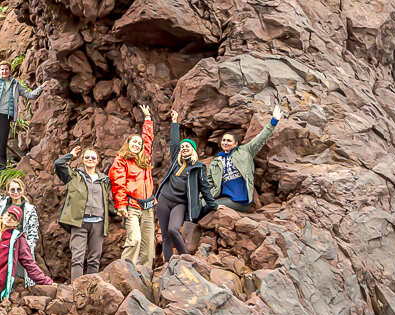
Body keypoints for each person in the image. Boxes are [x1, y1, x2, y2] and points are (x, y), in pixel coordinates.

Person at [155, 110, 218, 263]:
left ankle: (186, 258)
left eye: (187, 147)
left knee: (173, 229)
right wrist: (175, 122)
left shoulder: (198, 167)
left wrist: (214, 205)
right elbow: (174, 142)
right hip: (164, 199)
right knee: (165, 235)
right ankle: (168, 265)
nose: (183, 148)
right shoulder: (176, 163)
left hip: (179, 203)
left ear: (193, 151)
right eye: (182, 147)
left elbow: (205, 188)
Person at [54, 145, 115, 280]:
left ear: (98, 160)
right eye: (87, 157)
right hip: (79, 222)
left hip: (98, 223)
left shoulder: (104, 180)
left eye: (93, 157)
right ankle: (76, 290)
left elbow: (111, 198)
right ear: (82, 159)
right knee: (77, 258)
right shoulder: (74, 176)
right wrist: (70, 155)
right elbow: (58, 165)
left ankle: (92, 290)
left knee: (94, 259)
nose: (90, 159)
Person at [0, 155, 41, 285]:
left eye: (18, 189)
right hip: (0, 244)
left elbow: (32, 233)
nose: (15, 192)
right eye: (12, 189)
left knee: (21, 279)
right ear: (8, 191)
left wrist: (27, 251)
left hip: (18, 246)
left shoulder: (29, 209)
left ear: (23, 190)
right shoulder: (2, 204)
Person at [108, 105, 155, 272]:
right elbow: (117, 182)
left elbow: (148, 139)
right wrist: (120, 205)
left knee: (148, 243)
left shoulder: (144, 158)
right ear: (128, 144)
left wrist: (147, 118)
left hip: (148, 206)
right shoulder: (121, 160)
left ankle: (144, 273)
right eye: (134, 142)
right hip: (132, 206)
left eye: (139, 143)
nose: (137, 145)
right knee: (134, 239)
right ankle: (125, 272)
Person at [208, 105, 282, 211]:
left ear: (236, 143)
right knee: (201, 203)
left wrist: (273, 121)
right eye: (223, 140)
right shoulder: (216, 161)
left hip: (240, 200)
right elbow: (210, 183)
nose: (225, 142)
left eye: (229, 140)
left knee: (208, 205)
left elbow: (260, 139)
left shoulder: (245, 151)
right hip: (223, 197)